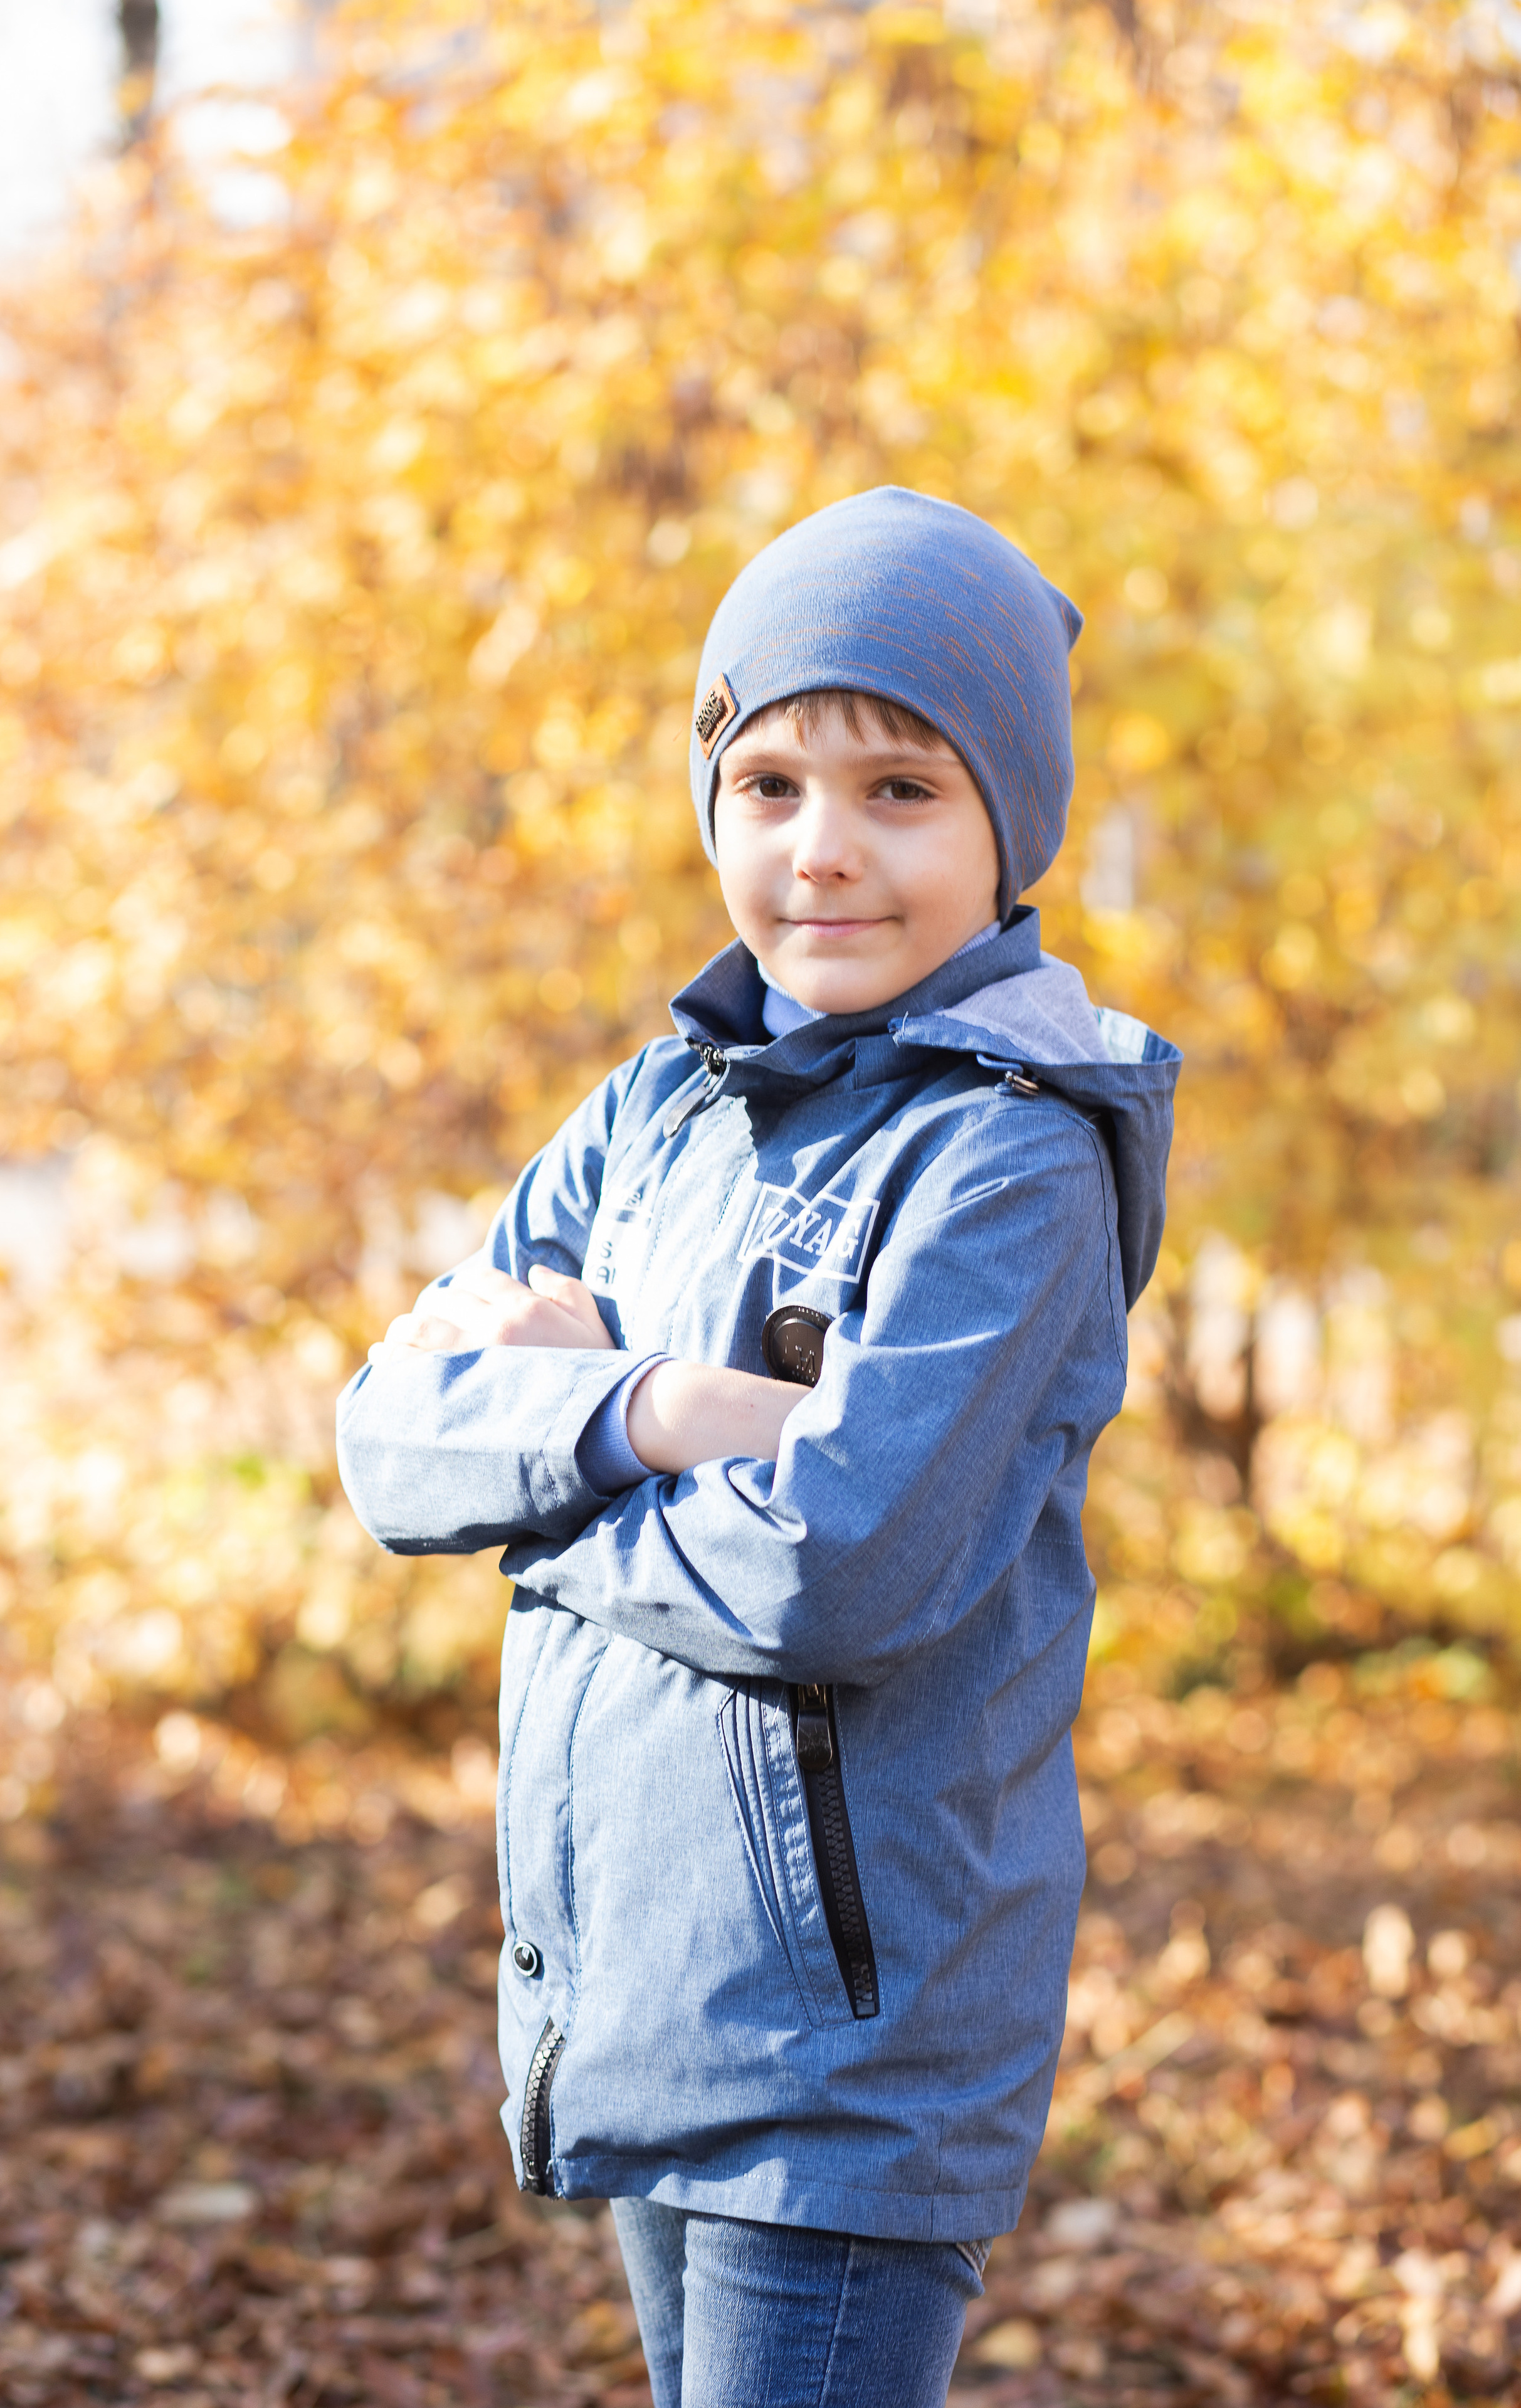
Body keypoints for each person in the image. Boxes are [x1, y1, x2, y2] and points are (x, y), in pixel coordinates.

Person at [337, 487, 1181, 2407]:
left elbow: (838, 1567)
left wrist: (543, 1493)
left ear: (1006, 828)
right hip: (653, 1995)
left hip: (849, 2056)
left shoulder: (1013, 1154)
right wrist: (657, 1411)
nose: (824, 850)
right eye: (773, 781)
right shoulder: (655, 1113)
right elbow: (392, 1436)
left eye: (901, 791)